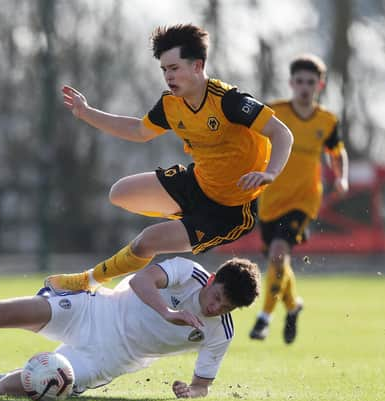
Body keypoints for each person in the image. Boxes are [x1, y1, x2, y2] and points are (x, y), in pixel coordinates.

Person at [46, 24, 293, 292]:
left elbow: (282, 134)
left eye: (174, 68)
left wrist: (270, 172)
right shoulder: (170, 105)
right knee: (120, 193)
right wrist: (86, 112)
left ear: (197, 66)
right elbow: (139, 130)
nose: (168, 76)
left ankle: (87, 281)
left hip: (230, 210)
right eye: (164, 69)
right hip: (197, 183)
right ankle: (185, 219)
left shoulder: (228, 101)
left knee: (146, 242)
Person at [0, 256, 260, 399]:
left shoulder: (219, 333)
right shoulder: (189, 272)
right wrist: (167, 311)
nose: (215, 308)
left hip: (108, 359)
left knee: (13, 389)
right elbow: (141, 281)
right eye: (216, 297)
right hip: (94, 309)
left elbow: (202, 387)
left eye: (225, 307)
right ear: (212, 279)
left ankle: (16, 376)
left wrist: (189, 391)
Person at [249, 54, 349, 344]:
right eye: (300, 81)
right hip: (270, 199)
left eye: (311, 82)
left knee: (279, 253)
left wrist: (341, 177)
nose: (305, 87)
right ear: (291, 83)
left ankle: (263, 318)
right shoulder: (274, 112)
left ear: (320, 85)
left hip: (304, 200)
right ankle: (293, 306)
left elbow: (337, 151)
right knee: (279, 261)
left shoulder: (327, 121)